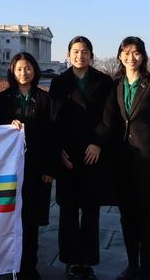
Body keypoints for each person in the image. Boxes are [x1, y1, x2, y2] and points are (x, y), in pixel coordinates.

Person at [48, 36, 115, 280]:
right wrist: (58, 150)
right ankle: (70, 258)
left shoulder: (104, 81)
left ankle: (86, 260)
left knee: (90, 210)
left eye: (85, 51)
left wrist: (98, 142)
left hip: (93, 153)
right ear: (68, 55)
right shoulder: (60, 83)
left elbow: (109, 117)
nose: (80, 56)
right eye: (75, 52)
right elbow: (53, 121)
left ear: (91, 55)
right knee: (67, 209)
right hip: (68, 153)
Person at [0, 52, 60, 280]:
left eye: (28, 68)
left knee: (31, 221)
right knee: (6, 219)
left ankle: (29, 265)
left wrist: (51, 169)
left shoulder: (45, 99)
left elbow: (53, 136)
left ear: (35, 70)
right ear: (12, 71)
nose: (24, 73)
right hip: (8, 171)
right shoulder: (1, 100)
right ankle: (7, 263)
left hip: (36, 168)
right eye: (19, 69)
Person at [106, 36, 150, 280]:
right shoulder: (117, 84)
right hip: (122, 158)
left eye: (136, 53)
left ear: (143, 56)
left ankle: (146, 267)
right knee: (127, 214)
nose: (131, 57)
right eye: (127, 52)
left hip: (146, 159)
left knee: (147, 214)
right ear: (120, 55)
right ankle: (132, 262)